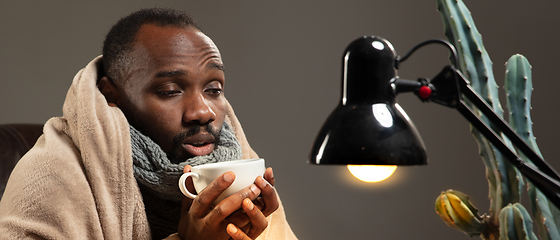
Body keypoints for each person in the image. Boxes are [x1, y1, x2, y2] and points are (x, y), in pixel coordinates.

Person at [0, 8, 297, 240]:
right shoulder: (52, 179)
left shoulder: (237, 164)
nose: (203, 112)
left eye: (214, 90)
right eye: (170, 91)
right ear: (110, 94)